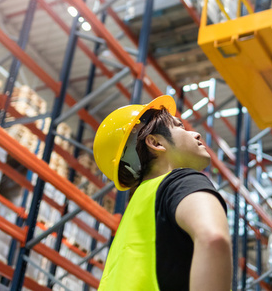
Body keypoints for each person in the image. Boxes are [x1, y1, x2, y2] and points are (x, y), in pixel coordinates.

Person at [93, 95, 232, 291]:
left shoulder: (133, 218)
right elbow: (214, 238)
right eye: (180, 127)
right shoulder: (181, 182)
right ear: (156, 143)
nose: (196, 134)